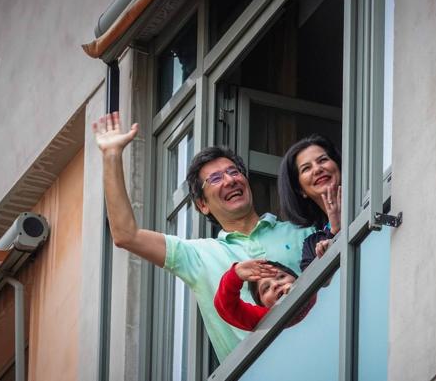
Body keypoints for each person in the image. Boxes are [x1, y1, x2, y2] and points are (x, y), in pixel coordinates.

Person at [92, 112, 313, 361]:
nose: (230, 180)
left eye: (234, 172)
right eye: (216, 178)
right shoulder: (198, 255)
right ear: (202, 205)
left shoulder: (302, 233)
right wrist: (111, 156)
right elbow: (125, 235)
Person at [278, 134, 342, 270]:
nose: (318, 169)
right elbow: (322, 288)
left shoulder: (367, 201)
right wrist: (335, 232)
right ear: (300, 189)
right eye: (306, 168)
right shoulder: (312, 245)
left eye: (323, 160)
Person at [214, 259, 309, 331]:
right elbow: (227, 307)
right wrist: (234, 274)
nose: (275, 284)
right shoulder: (267, 319)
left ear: (296, 277)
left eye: (281, 277)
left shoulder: (313, 284)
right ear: (262, 305)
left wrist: (298, 291)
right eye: (266, 288)